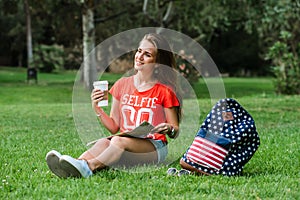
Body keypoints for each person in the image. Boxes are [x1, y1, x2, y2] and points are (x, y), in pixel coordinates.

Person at [46, 33, 182, 178]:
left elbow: (175, 131)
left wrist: (169, 128)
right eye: (139, 51)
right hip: (126, 142)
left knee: (116, 141)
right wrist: (96, 108)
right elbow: (113, 126)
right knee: (105, 142)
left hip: (154, 146)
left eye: (147, 54)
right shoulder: (121, 85)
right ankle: (72, 166)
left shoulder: (164, 91)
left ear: (157, 63)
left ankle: (88, 168)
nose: (139, 57)